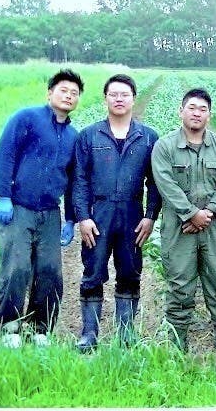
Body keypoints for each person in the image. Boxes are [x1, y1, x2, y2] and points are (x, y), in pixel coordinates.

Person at [0, 69, 83, 347]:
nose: (68, 96)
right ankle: (9, 328)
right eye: (63, 90)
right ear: (49, 93)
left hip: (50, 212)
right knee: (17, 268)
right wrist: (3, 195)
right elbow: (5, 154)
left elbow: (72, 180)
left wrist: (70, 219)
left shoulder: (72, 136)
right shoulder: (27, 118)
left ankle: (39, 329)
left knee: (50, 272)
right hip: (19, 208)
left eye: (74, 93)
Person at [72, 74, 161, 352]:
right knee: (93, 270)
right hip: (99, 213)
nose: (119, 99)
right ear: (105, 99)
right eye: (113, 94)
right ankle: (89, 333)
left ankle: (125, 333)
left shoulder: (148, 137)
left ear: (133, 98)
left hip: (132, 213)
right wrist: (83, 217)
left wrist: (150, 215)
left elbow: (155, 182)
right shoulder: (89, 136)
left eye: (124, 94)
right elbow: (79, 180)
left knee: (130, 271)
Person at [151, 88, 216, 360]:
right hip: (179, 228)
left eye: (202, 109)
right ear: (181, 111)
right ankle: (178, 336)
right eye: (192, 107)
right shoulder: (165, 147)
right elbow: (166, 185)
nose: (197, 113)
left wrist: (206, 214)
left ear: (209, 115)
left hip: (214, 227)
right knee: (179, 281)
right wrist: (191, 214)